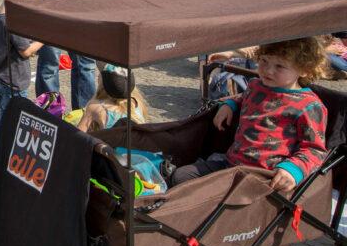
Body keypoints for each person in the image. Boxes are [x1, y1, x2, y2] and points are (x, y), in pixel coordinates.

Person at [171, 37, 328, 192]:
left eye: (280, 66)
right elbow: (242, 97)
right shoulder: (256, 85)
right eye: (264, 61)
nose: (268, 70)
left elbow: (314, 149)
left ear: (304, 70)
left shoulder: (309, 106)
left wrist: (293, 170)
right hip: (231, 165)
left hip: (266, 177)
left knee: (208, 196)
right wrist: (229, 104)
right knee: (180, 176)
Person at [0, 0, 43, 149]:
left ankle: (2, 148)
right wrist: (45, 39)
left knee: (5, 114)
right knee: (10, 118)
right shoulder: (12, 21)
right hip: (14, 82)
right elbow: (26, 51)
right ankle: (2, 150)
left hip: (2, 77)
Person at [77, 64, 148, 132]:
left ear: (103, 84)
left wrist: (94, 98)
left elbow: (79, 135)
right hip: (133, 143)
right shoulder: (137, 102)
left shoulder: (97, 108)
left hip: (110, 143)